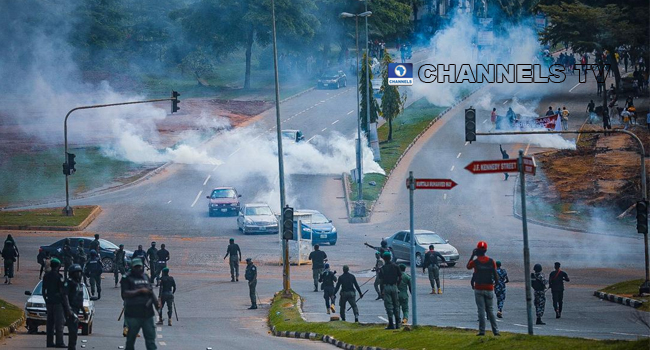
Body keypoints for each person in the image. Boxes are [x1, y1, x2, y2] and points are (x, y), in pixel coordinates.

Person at [121, 258, 158, 350]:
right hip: (133, 314)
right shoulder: (127, 278)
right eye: (136, 267)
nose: (138, 269)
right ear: (132, 267)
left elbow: (150, 292)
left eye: (139, 267)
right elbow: (124, 294)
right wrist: (139, 291)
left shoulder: (145, 277)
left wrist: (157, 305)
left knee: (151, 340)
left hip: (147, 314)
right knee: (130, 340)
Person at [466, 241, 500, 336]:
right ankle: (496, 331)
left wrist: (472, 255)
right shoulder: (491, 261)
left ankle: (482, 331)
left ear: (477, 250)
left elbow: (468, 266)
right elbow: (495, 274)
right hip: (489, 287)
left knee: (481, 310)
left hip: (479, 287)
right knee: (490, 310)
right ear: (486, 250)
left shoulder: (475, 262)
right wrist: (495, 284)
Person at [43, 258, 66, 348]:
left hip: (49, 302)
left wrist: (46, 300)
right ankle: (59, 342)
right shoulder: (59, 276)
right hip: (57, 302)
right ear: (58, 266)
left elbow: (43, 290)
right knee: (59, 323)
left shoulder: (46, 276)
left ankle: (49, 342)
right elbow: (62, 291)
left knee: (50, 323)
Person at [62, 264, 85, 350]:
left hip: (77, 309)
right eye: (76, 273)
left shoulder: (79, 284)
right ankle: (71, 347)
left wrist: (84, 311)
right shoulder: (69, 283)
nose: (79, 274)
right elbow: (65, 296)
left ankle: (72, 347)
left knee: (75, 330)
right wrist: (68, 309)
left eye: (80, 272)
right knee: (72, 330)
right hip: (71, 309)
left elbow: (80, 299)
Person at [379, 251, 402, 329]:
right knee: (396, 305)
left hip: (386, 287)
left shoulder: (382, 269)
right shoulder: (396, 266)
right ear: (390, 258)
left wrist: (381, 291)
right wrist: (397, 285)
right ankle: (398, 323)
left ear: (384, 259)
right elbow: (400, 277)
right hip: (394, 286)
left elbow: (381, 281)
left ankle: (391, 323)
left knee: (389, 306)